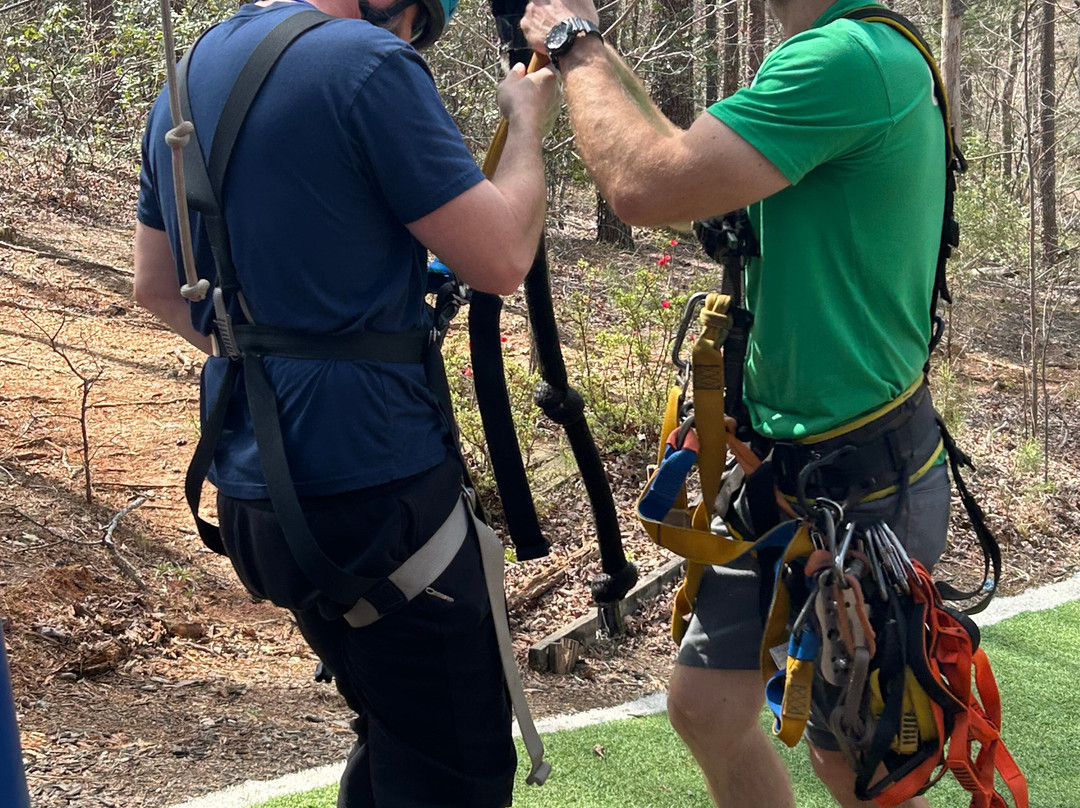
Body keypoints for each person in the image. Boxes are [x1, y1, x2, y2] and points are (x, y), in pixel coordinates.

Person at [520, 1, 951, 806]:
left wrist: (573, 43)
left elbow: (645, 183)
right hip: (776, 468)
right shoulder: (838, 54)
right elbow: (676, 158)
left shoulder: (847, 59)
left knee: (859, 767)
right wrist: (594, 47)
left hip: (857, 486)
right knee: (708, 709)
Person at [133, 0, 559, 803]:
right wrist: (527, 120)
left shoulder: (188, 76)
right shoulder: (366, 64)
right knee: (455, 769)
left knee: (396, 735)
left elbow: (158, 287)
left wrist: (287, 353)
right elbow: (504, 256)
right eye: (415, 24)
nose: (408, 40)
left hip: (255, 490)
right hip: (372, 490)